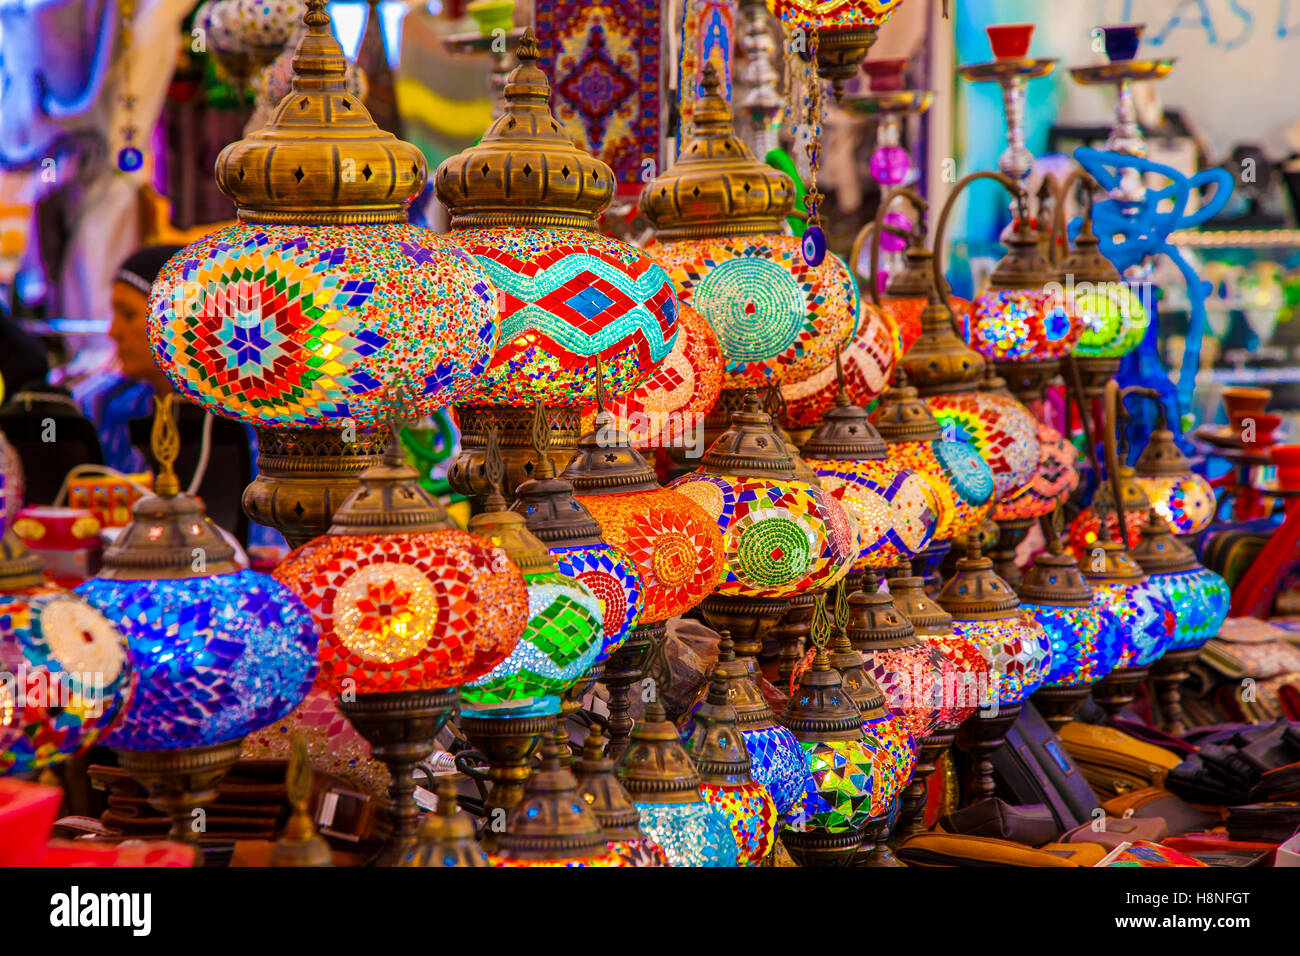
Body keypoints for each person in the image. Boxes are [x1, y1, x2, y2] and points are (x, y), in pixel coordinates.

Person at [78, 245, 254, 544]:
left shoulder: (250, 419)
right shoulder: (106, 406)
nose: (113, 331)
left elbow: (266, 545)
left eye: (128, 314)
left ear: (179, 322)